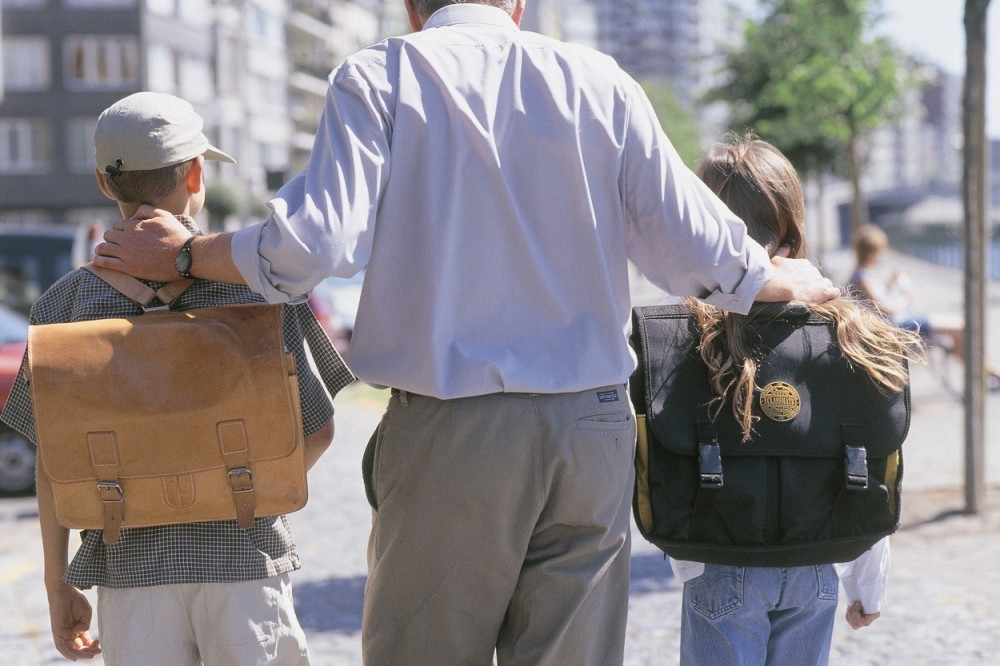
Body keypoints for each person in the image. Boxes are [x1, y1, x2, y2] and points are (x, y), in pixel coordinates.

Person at [93, 2, 839, 664]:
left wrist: (189, 254)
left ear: (413, 10)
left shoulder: (379, 77)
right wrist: (778, 280)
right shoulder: (601, 81)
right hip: (592, 428)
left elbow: (310, 248)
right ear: (516, 5)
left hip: (453, 428)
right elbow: (695, 244)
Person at [0, 91, 353, 664]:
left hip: (129, 575)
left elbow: (53, 462)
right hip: (244, 566)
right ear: (195, 174)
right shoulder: (255, 287)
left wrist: (57, 582)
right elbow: (316, 432)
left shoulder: (61, 306)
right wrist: (229, 487)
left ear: (102, 183)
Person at [668, 134, 921, 665]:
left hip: (721, 560)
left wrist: (691, 564)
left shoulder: (691, 333)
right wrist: (867, 587)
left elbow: (667, 462)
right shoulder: (849, 333)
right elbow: (868, 464)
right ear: (794, 221)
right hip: (817, 564)